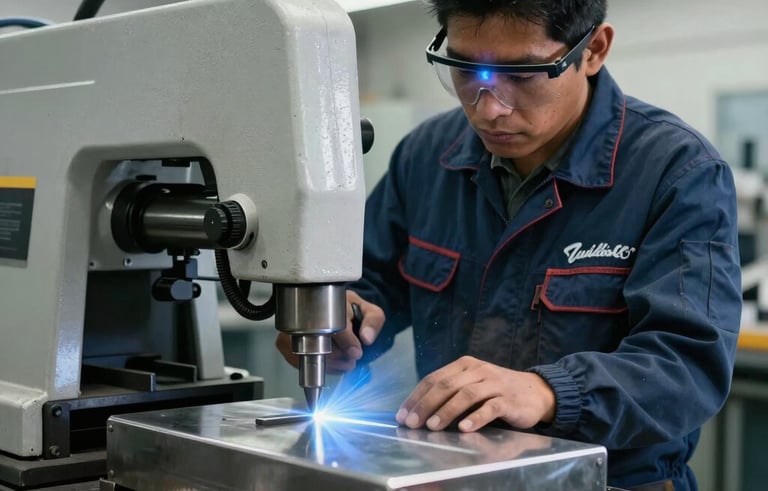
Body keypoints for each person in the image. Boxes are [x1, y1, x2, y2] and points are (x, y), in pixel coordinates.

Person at [277, 1, 742, 489]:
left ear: (594, 50)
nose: (489, 107)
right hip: (451, 475)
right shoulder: (426, 158)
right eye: (464, 70)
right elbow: (369, 283)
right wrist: (334, 320)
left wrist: (549, 391)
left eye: (522, 75)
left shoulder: (676, 173)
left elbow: (687, 365)